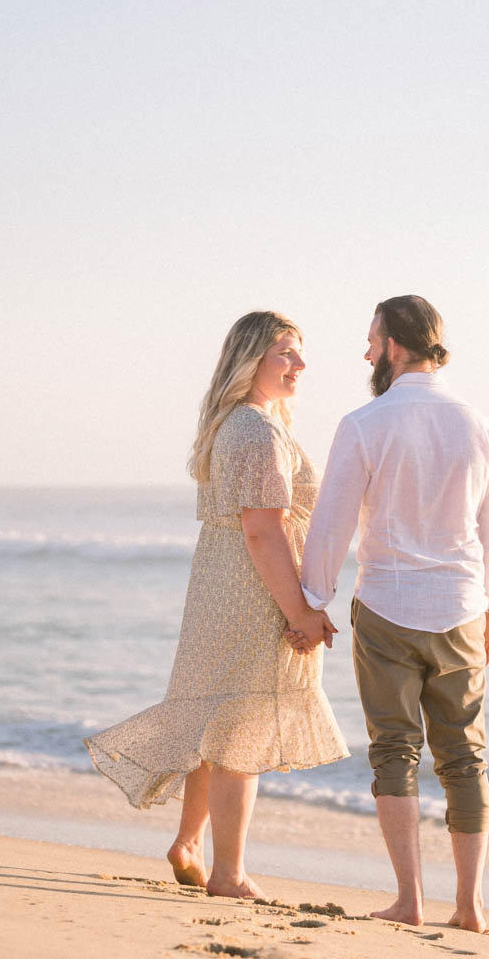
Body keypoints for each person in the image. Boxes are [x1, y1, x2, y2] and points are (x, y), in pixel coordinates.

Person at [85, 310, 348, 898]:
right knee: (243, 732)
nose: (300, 365)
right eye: (286, 353)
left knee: (219, 722)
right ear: (251, 359)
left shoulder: (236, 422)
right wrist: (300, 611)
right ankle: (229, 873)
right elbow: (263, 531)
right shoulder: (257, 430)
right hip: (253, 594)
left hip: (221, 587)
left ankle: (189, 843)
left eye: (299, 353)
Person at [294, 294, 489, 933]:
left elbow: (331, 524)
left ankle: (409, 900)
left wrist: (312, 602)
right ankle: (470, 907)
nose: (365, 352)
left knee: (395, 751)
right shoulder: (480, 424)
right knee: (465, 756)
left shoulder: (365, 423)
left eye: (371, 339)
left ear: (394, 345)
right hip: (462, 608)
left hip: (387, 605)